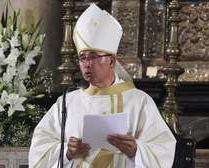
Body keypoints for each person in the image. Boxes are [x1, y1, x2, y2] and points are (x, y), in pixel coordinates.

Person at [29, 3, 176, 168]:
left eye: (93, 56)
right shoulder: (66, 103)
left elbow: (163, 149)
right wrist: (67, 152)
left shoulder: (139, 101)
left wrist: (136, 149)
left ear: (111, 61)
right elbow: (38, 150)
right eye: (82, 57)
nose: (87, 64)